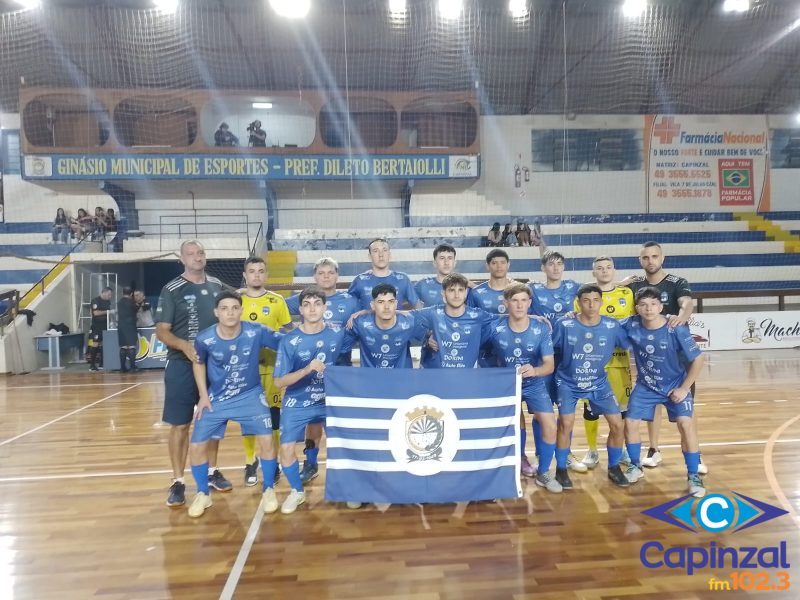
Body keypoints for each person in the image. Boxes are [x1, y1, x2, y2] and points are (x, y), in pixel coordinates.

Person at [187, 291, 283, 518]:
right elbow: (198, 363)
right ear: (216, 312)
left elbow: (285, 343)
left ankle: (269, 488)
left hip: (250, 395)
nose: (229, 313)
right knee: (196, 445)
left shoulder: (256, 331)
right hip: (217, 398)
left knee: (267, 439)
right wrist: (203, 394)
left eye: (234, 308)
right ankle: (203, 493)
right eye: (224, 308)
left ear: (241, 310)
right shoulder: (204, 338)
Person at [155, 240, 231, 508]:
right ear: (182, 258)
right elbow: (162, 331)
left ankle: (211, 472)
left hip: (215, 366)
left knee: (211, 421)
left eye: (200, 253)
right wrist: (185, 346)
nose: (197, 257)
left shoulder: (218, 286)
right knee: (180, 424)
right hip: (181, 365)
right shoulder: (172, 289)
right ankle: (178, 481)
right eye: (191, 253)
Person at [625, 241, 704, 473]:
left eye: (654, 256)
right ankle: (653, 448)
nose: (650, 261)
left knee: (686, 411)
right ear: (640, 261)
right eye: (645, 257)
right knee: (652, 403)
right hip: (651, 354)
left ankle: (695, 456)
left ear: (662, 258)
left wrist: (681, 317)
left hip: (678, 357)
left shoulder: (677, 282)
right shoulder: (634, 285)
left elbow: (687, 303)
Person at [621, 286, 705, 497]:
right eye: (643, 305)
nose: (648, 309)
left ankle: (693, 474)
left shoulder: (675, 327)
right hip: (646, 386)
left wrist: (684, 388)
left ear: (660, 306)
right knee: (630, 422)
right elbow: (603, 325)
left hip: (674, 385)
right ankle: (635, 466)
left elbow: (698, 359)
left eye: (653, 304)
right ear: (636, 308)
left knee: (686, 425)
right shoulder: (631, 324)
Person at [273, 286, 348, 514]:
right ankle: (297, 491)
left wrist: (361, 314)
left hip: (330, 400)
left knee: (343, 445)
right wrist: (307, 370)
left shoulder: (338, 331)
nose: (312, 308)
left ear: (325, 307)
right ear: (301, 310)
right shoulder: (290, 340)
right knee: (285, 449)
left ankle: (348, 490)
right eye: (307, 304)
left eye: (317, 303)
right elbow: (279, 382)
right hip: (298, 401)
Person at [285, 257, 359, 484]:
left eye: (330, 272)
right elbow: (276, 305)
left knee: (339, 422)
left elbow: (372, 312)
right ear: (315, 276)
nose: (326, 277)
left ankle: (346, 468)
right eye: (321, 273)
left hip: (341, 371)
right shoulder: (305, 300)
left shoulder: (351, 301)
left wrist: (361, 314)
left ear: (337, 275)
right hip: (310, 373)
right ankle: (311, 462)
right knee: (313, 421)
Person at [551, 284, 630, 490]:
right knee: (565, 423)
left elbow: (632, 342)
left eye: (596, 300)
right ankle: (560, 468)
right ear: (578, 303)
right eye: (586, 300)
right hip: (568, 382)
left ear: (602, 302)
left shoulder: (612, 326)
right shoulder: (565, 324)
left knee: (617, 424)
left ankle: (613, 467)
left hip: (598, 382)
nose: (591, 305)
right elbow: (551, 350)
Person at [487, 284, 560, 493]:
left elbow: (549, 365)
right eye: (514, 300)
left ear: (530, 303)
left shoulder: (540, 328)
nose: (519, 305)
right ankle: (518, 461)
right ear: (506, 303)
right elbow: (479, 349)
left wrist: (535, 371)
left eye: (523, 300)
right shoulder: (494, 327)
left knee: (550, 425)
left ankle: (544, 472)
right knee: (514, 423)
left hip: (534, 383)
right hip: (507, 384)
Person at [527, 250, 586, 474]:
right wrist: (534, 317)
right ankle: (541, 452)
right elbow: (520, 308)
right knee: (541, 409)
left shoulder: (574, 287)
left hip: (567, 356)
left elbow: (598, 291)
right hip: (542, 357)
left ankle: (566, 452)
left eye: (559, 264)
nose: (556, 268)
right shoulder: (534, 289)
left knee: (566, 409)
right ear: (543, 268)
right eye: (551, 264)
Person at [575, 256, 635, 470]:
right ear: (594, 273)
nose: (604, 271)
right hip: (592, 363)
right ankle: (592, 450)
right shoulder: (583, 296)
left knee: (621, 411)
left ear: (614, 270)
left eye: (608, 267)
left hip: (620, 363)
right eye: (599, 268)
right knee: (591, 410)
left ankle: (621, 449)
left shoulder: (627, 294)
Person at [238, 256, 292, 488]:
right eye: (252, 271)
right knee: (249, 417)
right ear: (245, 275)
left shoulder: (277, 301)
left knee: (274, 418)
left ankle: (275, 462)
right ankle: (250, 461)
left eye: (261, 271)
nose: (256, 275)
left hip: (272, 369)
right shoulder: (236, 300)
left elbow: (288, 333)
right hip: (244, 370)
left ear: (266, 275)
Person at [411, 273, 495, 369]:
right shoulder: (433, 313)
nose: (456, 295)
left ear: (466, 293)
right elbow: (404, 317)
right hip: (435, 377)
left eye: (460, 290)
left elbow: (506, 319)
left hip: (466, 378)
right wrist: (427, 338)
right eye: (451, 290)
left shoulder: (478, 316)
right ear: (443, 293)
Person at [347, 238, 421, 311]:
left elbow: (417, 305)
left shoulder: (403, 279)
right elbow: (348, 305)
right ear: (369, 257)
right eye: (376, 251)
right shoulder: (360, 280)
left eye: (384, 250)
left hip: (395, 322)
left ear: (390, 255)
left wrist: (407, 315)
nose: (381, 255)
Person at [88, 287, 113, 372]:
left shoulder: (108, 301)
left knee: (104, 344)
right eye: (109, 294)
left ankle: (102, 363)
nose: (110, 296)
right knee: (95, 344)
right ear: (104, 293)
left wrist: (111, 321)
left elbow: (109, 313)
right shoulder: (95, 301)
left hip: (106, 326)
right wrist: (107, 312)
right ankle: (92, 365)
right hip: (97, 326)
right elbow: (95, 313)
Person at [116, 287, 139, 373]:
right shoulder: (132, 302)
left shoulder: (119, 302)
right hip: (130, 326)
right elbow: (137, 309)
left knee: (123, 346)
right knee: (132, 346)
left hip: (121, 326)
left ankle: (122, 368)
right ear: (131, 294)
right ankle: (132, 367)